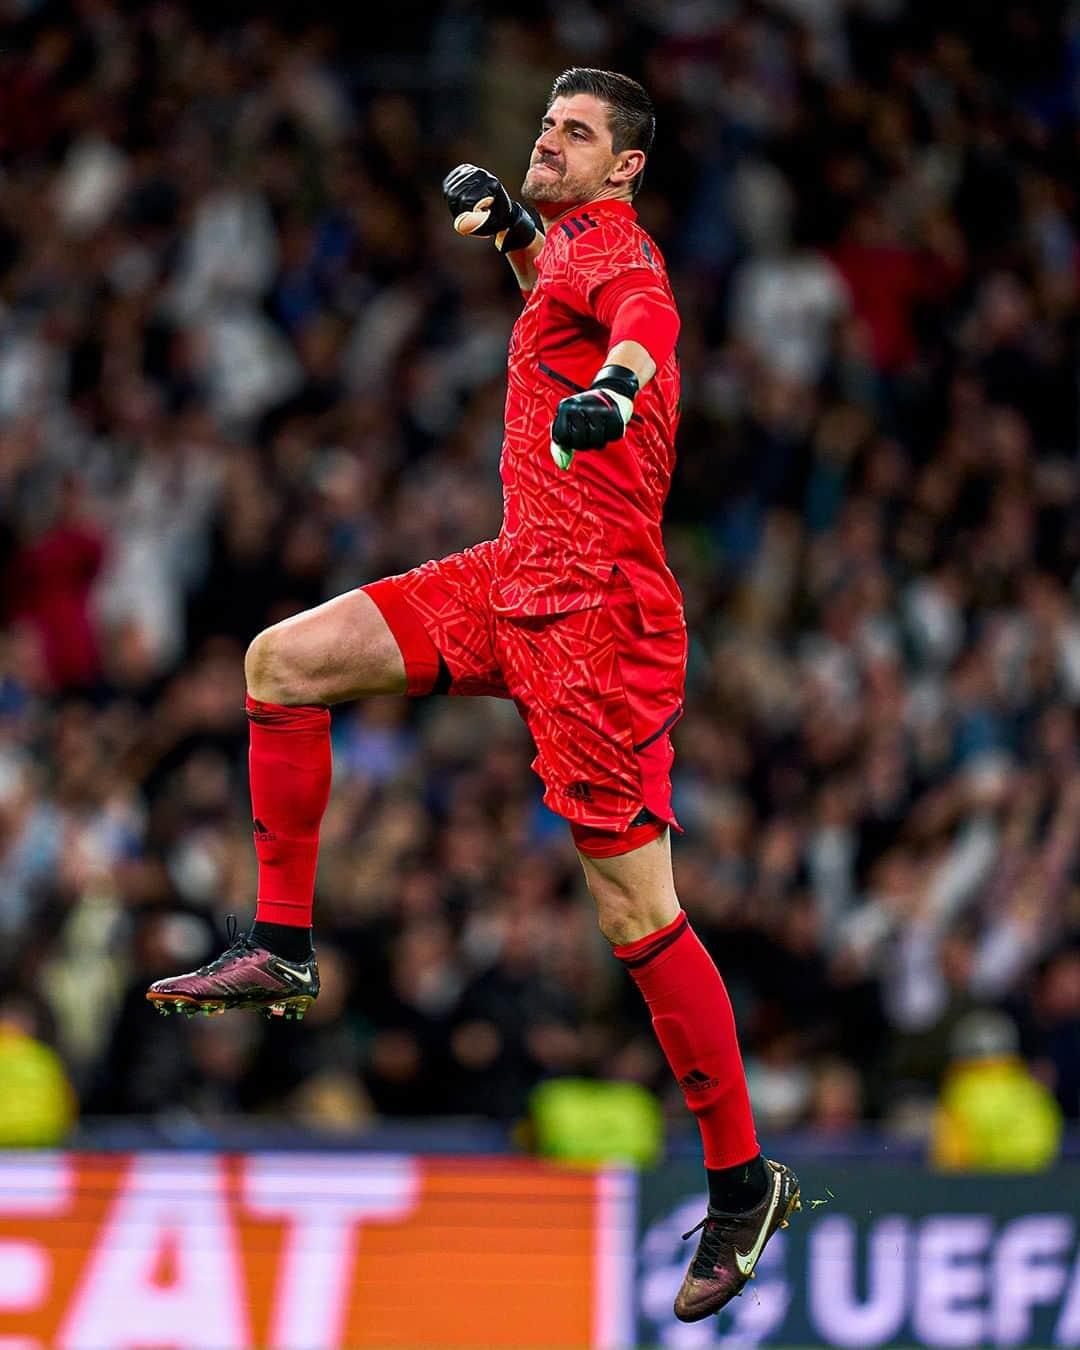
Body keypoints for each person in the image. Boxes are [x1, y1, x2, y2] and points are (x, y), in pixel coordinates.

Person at [146, 67, 799, 1320]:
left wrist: (617, 391)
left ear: (626, 168)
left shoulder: (624, 255)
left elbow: (639, 332)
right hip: (512, 580)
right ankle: (282, 948)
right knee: (283, 662)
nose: (547, 140)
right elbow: (567, 314)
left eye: (576, 134)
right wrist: (512, 237)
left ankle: (741, 1181)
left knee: (634, 913)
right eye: (546, 123)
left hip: (595, 616)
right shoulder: (561, 249)